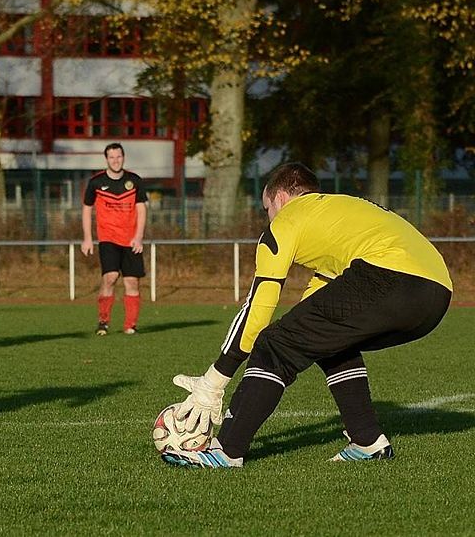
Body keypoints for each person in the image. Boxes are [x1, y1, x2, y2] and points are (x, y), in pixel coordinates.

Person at [161, 162, 452, 468]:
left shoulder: (286, 221)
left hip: (389, 276)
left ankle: (226, 451)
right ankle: (367, 441)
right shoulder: (339, 213)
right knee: (327, 340)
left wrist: (213, 382)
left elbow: (258, 309)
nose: (268, 217)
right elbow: (312, 317)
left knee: (273, 345)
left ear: (280, 199)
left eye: (267, 209)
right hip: (436, 295)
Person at [80, 143, 147, 335]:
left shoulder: (134, 181)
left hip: (131, 240)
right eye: (112, 157)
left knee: (132, 282)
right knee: (110, 277)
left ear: (123, 157)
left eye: (119, 157)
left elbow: (142, 209)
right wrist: (87, 238)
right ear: (106, 159)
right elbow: (87, 209)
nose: (116, 161)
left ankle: (130, 326)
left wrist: (139, 237)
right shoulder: (96, 182)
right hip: (108, 238)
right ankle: (103, 321)